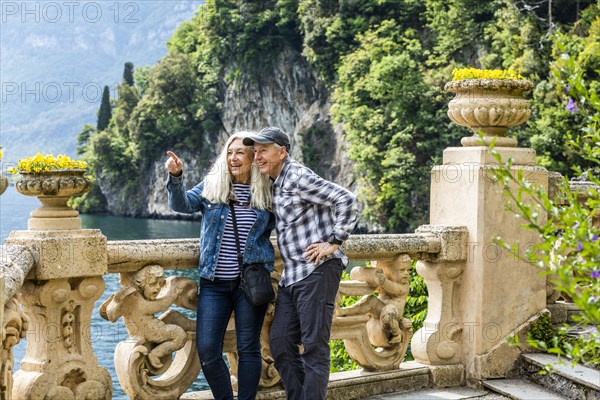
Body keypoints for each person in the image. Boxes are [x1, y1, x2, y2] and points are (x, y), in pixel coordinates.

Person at [243, 127, 358, 400]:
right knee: (281, 344)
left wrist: (334, 241)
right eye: (255, 151)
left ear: (281, 152)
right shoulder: (275, 181)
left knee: (314, 347)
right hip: (292, 275)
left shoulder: (296, 176)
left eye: (264, 151)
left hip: (317, 270)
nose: (257, 157)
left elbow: (346, 199)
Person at [165, 132, 275, 400]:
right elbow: (181, 205)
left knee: (248, 348)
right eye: (229, 152)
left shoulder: (267, 192)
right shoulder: (211, 186)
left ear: (252, 158)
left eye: (240, 153)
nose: (233, 157)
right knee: (208, 350)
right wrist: (176, 177)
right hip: (214, 284)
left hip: (249, 284)